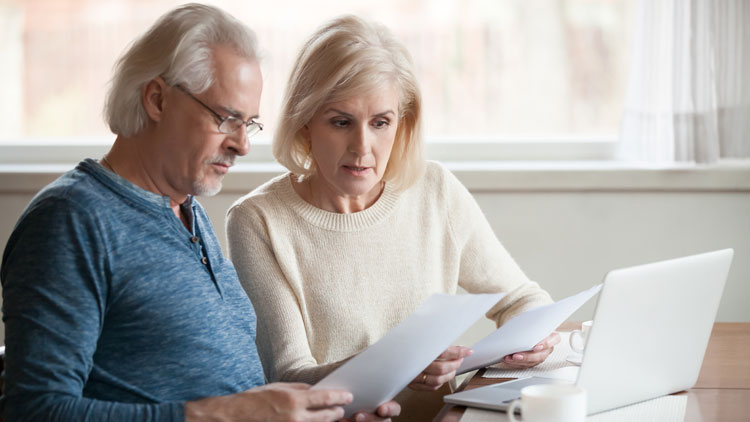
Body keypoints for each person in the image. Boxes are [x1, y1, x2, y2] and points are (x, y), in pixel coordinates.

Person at [0, 5, 399, 422]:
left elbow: (236, 396)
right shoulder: (71, 221)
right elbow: (35, 410)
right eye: (227, 119)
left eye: (250, 124)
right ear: (157, 99)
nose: (242, 145)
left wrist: (333, 401)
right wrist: (222, 415)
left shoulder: (187, 210)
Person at [226, 15, 561, 420]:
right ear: (305, 123)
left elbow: (523, 299)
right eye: (341, 122)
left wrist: (534, 338)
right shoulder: (257, 220)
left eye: (381, 122)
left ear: (402, 124)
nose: (362, 147)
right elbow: (291, 377)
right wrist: (394, 363)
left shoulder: (435, 189)